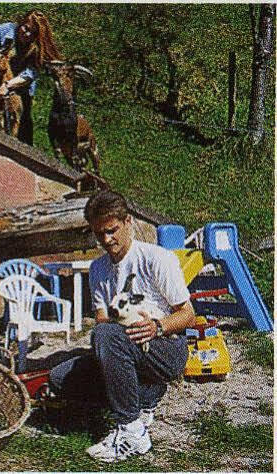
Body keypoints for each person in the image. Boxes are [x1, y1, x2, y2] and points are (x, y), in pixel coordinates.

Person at [49, 190, 195, 462]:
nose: (106, 240)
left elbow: (188, 315)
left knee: (106, 336)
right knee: (59, 377)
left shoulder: (156, 258)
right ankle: (145, 395)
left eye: (111, 230)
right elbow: (102, 318)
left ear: (128, 222)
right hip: (125, 342)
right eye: (99, 234)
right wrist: (121, 322)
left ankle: (131, 430)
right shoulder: (98, 269)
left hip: (165, 347)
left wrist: (157, 326)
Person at [0, 10, 63, 145]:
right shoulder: (3, 31)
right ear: (21, 22)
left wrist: (7, 86)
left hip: (21, 88)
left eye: (33, 33)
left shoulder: (37, 47)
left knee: (20, 133)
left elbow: (31, 73)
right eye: (26, 28)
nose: (27, 34)